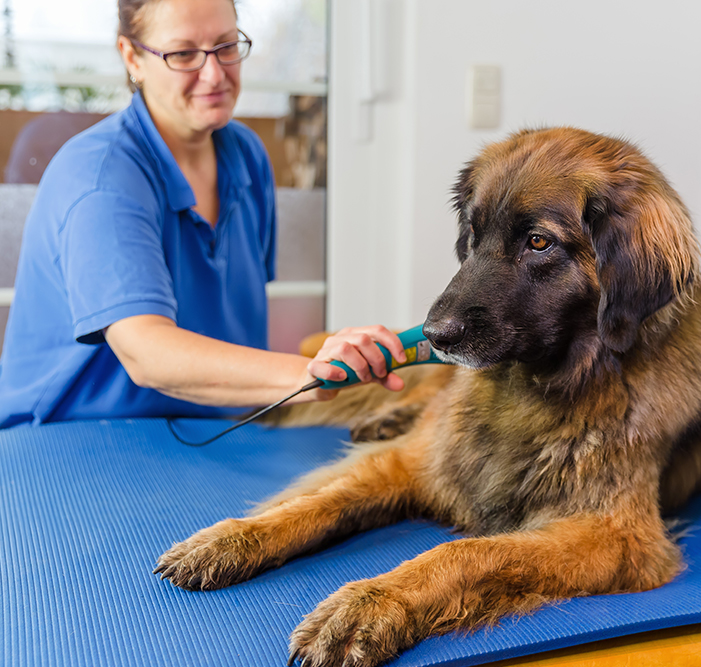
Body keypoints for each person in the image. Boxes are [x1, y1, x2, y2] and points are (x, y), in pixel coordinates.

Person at [0, 0, 405, 429]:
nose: (214, 74)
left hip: (215, 431)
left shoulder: (246, 155)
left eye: (226, 46)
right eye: (183, 54)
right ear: (131, 56)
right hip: (70, 439)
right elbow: (146, 354)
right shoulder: (100, 176)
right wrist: (308, 375)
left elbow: (232, 324)